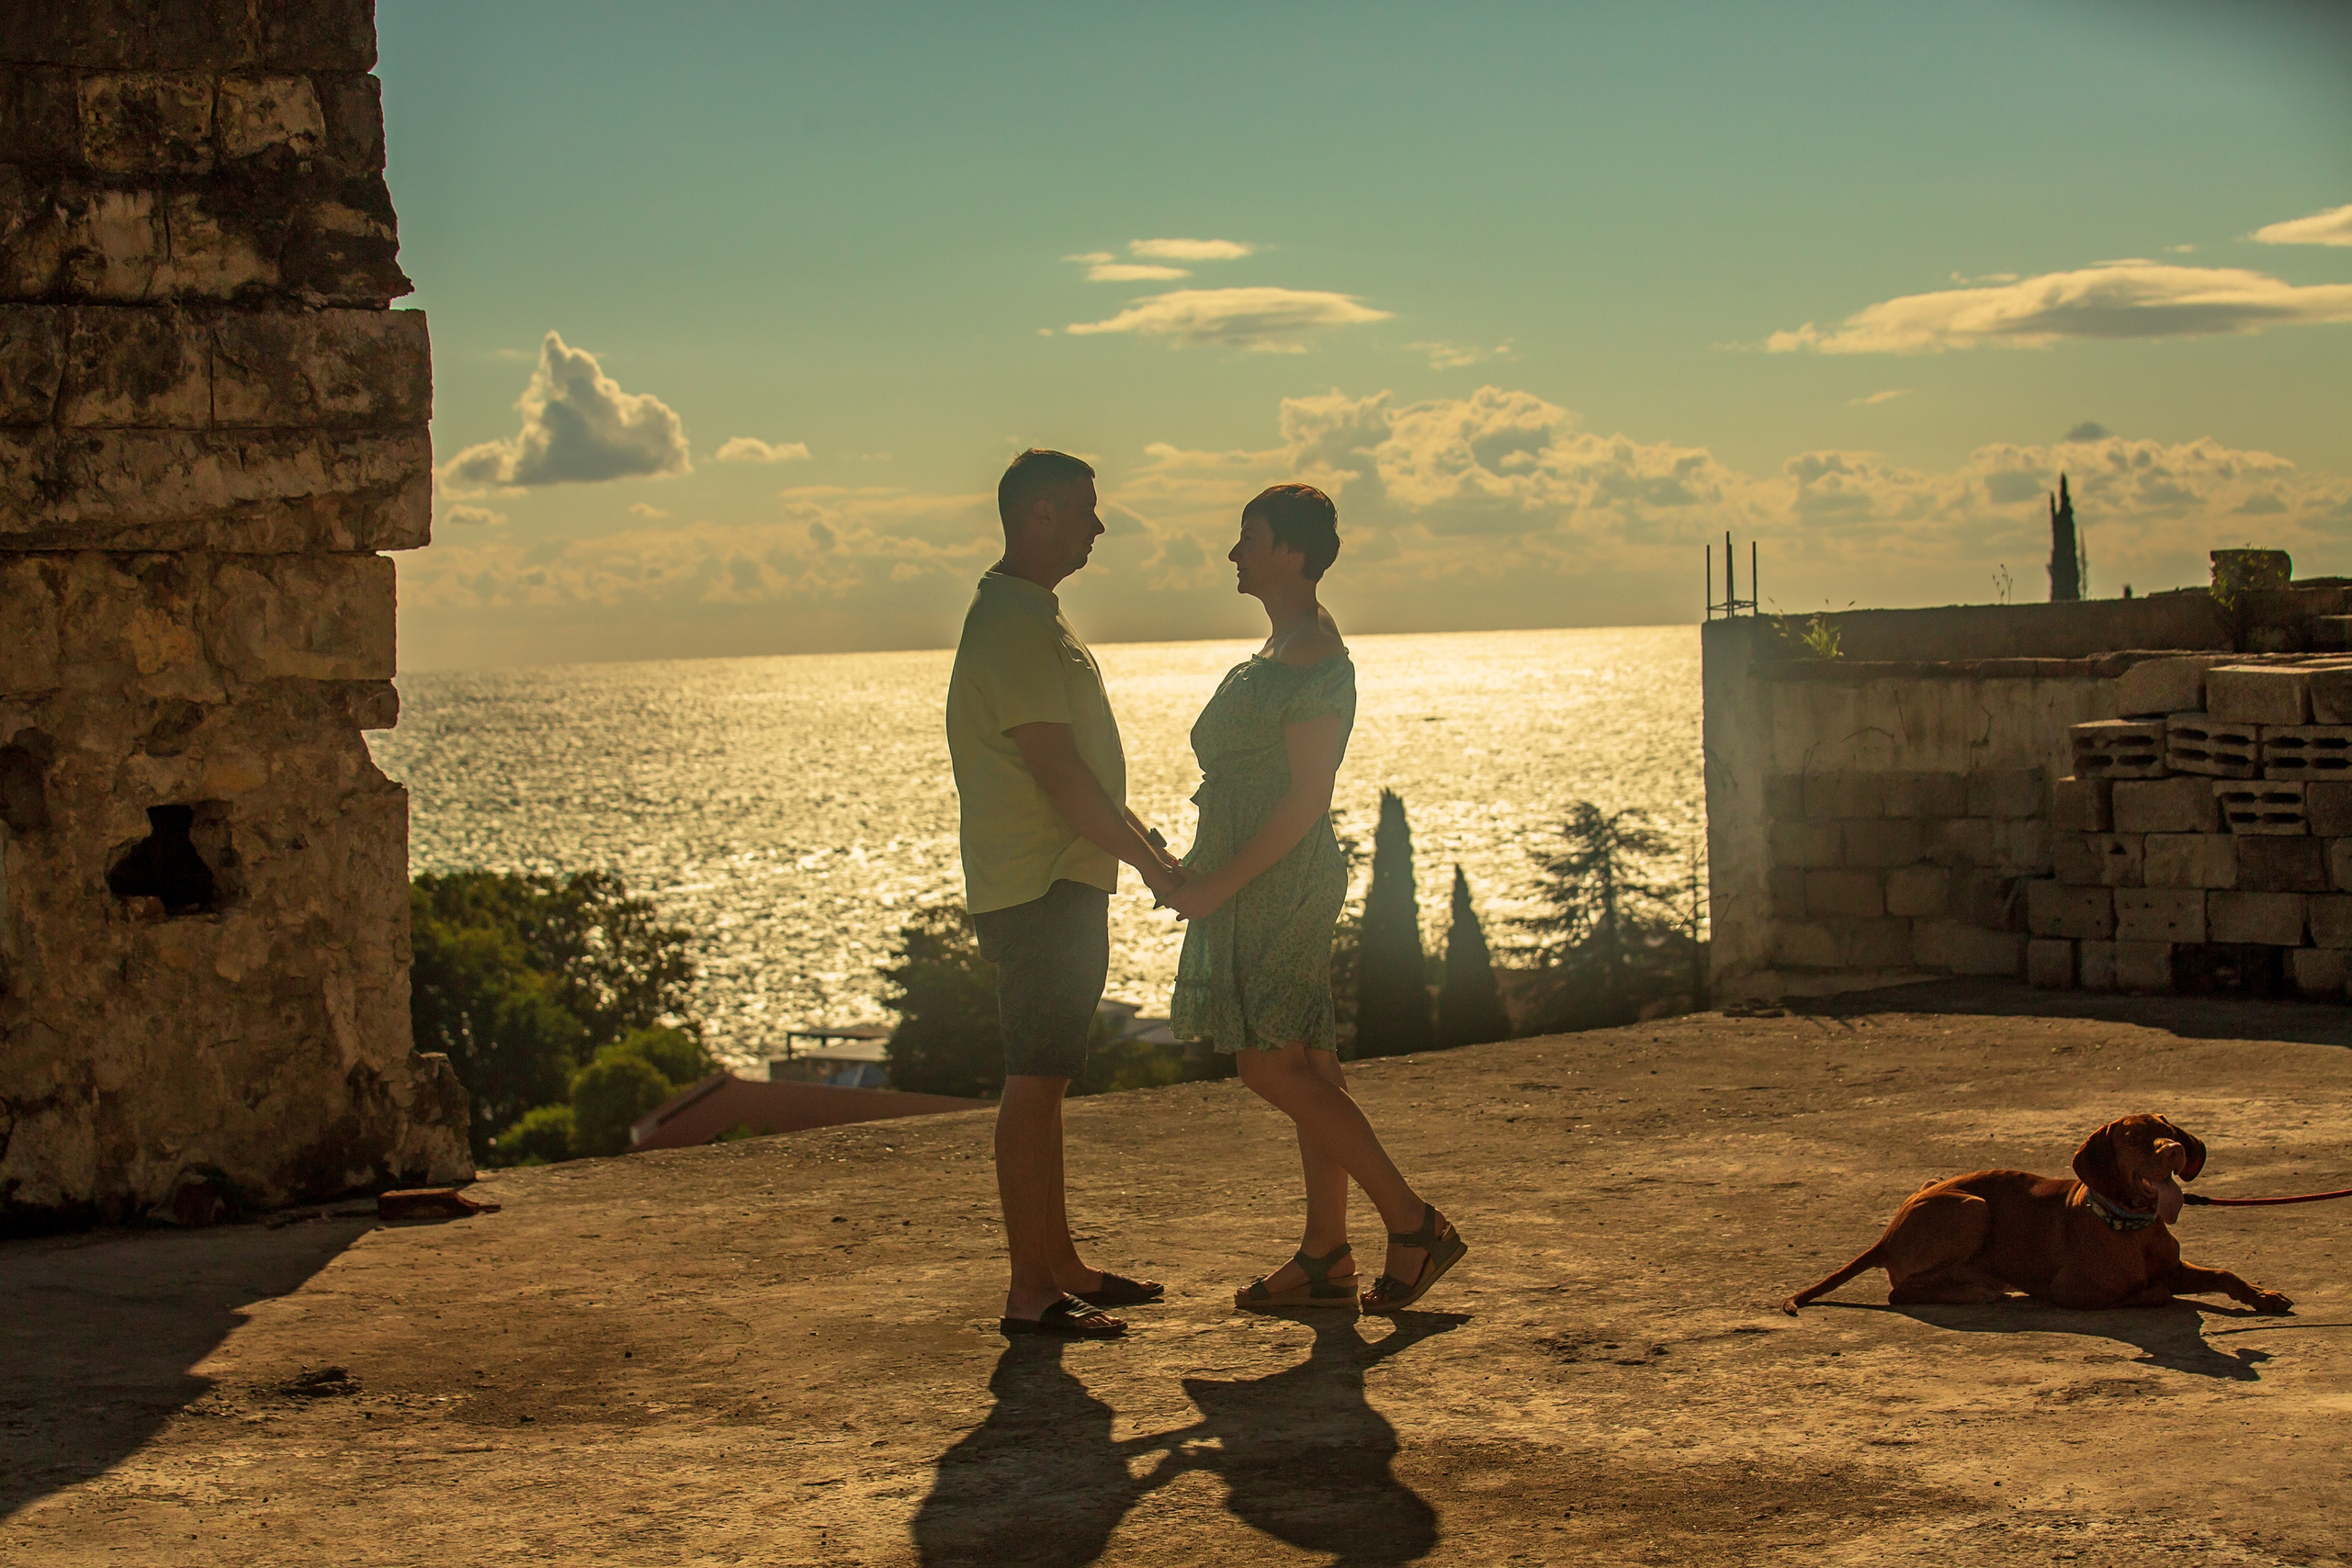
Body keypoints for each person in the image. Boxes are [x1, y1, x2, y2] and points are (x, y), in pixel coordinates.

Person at [1168, 484, 1466, 1314]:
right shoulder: (1287, 642)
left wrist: (1218, 884)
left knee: (1268, 1064)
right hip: (1262, 876)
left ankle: (1413, 1223)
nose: (1235, 553)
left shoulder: (1308, 654)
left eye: (1250, 538)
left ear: (1292, 553)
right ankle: (1326, 1252)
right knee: (1307, 1064)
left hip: (1280, 880)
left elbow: (1304, 798)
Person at [946, 448, 1189, 1339]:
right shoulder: (1012, 625)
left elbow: (1075, 771)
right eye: (1087, 510)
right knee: (1034, 1080)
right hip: (1041, 884)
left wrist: (1137, 846)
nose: (1100, 525)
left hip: (1057, 880)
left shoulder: (1030, 618)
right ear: (1040, 515)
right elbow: (1058, 775)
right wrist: (1152, 866)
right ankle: (1030, 1291)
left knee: (1046, 1078)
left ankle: (1059, 1266)